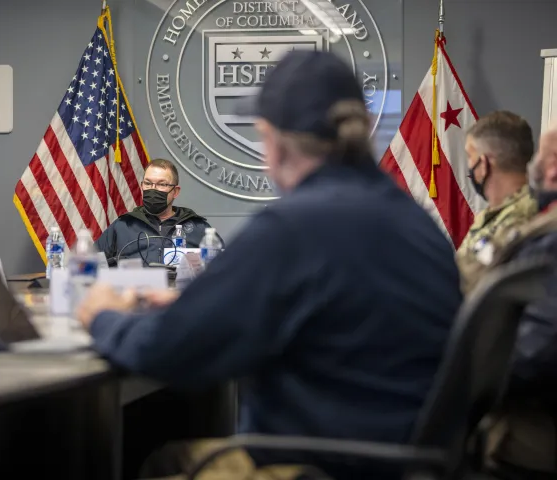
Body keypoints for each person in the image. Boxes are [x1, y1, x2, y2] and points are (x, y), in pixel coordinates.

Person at [78, 50, 462, 480]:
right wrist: (196, 307)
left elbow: (165, 350)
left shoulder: (294, 227)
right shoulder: (417, 225)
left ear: (274, 141)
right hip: (407, 460)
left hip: (318, 465)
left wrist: (104, 316)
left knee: (160, 462)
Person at [471, 127, 557, 478]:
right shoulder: (540, 229)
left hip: (527, 440)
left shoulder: (547, 241)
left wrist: (458, 371)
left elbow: (535, 352)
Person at [457, 111, 537, 293]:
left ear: (484, 164)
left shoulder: (522, 217)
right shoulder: (493, 213)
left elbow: (471, 284)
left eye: (470, 156)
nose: (469, 165)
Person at [95, 158, 215, 265]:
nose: (153, 189)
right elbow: (90, 263)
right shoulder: (123, 225)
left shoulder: (198, 227)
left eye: (161, 184)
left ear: (175, 191)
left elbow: (221, 270)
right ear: (142, 186)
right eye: (148, 183)